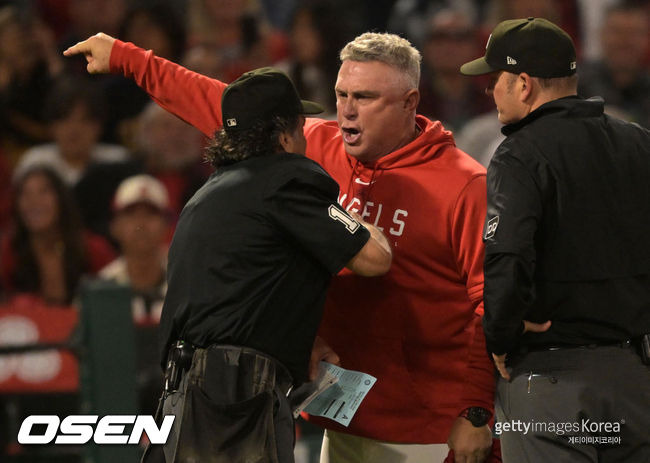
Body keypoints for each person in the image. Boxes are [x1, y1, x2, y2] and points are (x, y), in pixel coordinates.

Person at [64, 31, 496, 463]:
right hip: (341, 420)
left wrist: (477, 411)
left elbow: (492, 304)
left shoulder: (462, 185)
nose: (346, 110)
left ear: (409, 102)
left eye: (364, 97)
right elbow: (220, 103)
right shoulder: (312, 148)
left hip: (427, 429)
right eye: (342, 94)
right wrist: (129, 59)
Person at [145, 67, 390, 462]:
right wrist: (357, 212)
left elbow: (237, 292)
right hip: (234, 396)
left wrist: (295, 337)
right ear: (284, 135)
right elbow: (374, 259)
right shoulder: (286, 179)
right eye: (301, 126)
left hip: (185, 394)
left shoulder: (210, 194)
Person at [460, 17, 650, 462]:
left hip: (553, 382)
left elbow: (507, 255)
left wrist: (501, 334)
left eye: (496, 80)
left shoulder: (520, 151)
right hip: (637, 381)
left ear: (523, 84)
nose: (490, 92)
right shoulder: (639, 143)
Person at [99, 174, 172, 416]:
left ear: (166, 224)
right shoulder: (100, 290)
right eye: (130, 214)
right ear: (114, 226)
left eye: (151, 214)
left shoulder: (187, 283)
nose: (141, 223)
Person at [0, 165, 115, 305]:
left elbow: (113, 300)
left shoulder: (93, 248)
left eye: (43, 192)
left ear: (61, 199)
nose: (34, 202)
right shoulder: (9, 252)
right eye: (25, 194)